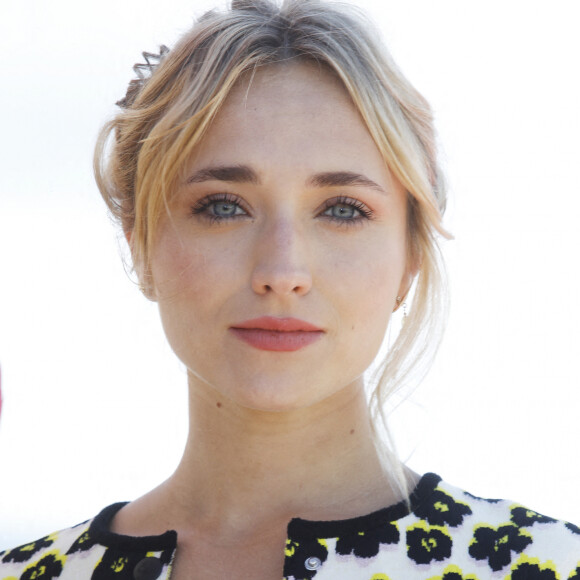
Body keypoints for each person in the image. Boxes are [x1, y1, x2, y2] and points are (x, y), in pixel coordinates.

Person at [1, 0, 579, 578]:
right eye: (224, 206)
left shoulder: (548, 567)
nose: (282, 270)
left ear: (410, 258)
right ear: (141, 244)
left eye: (342, 210)